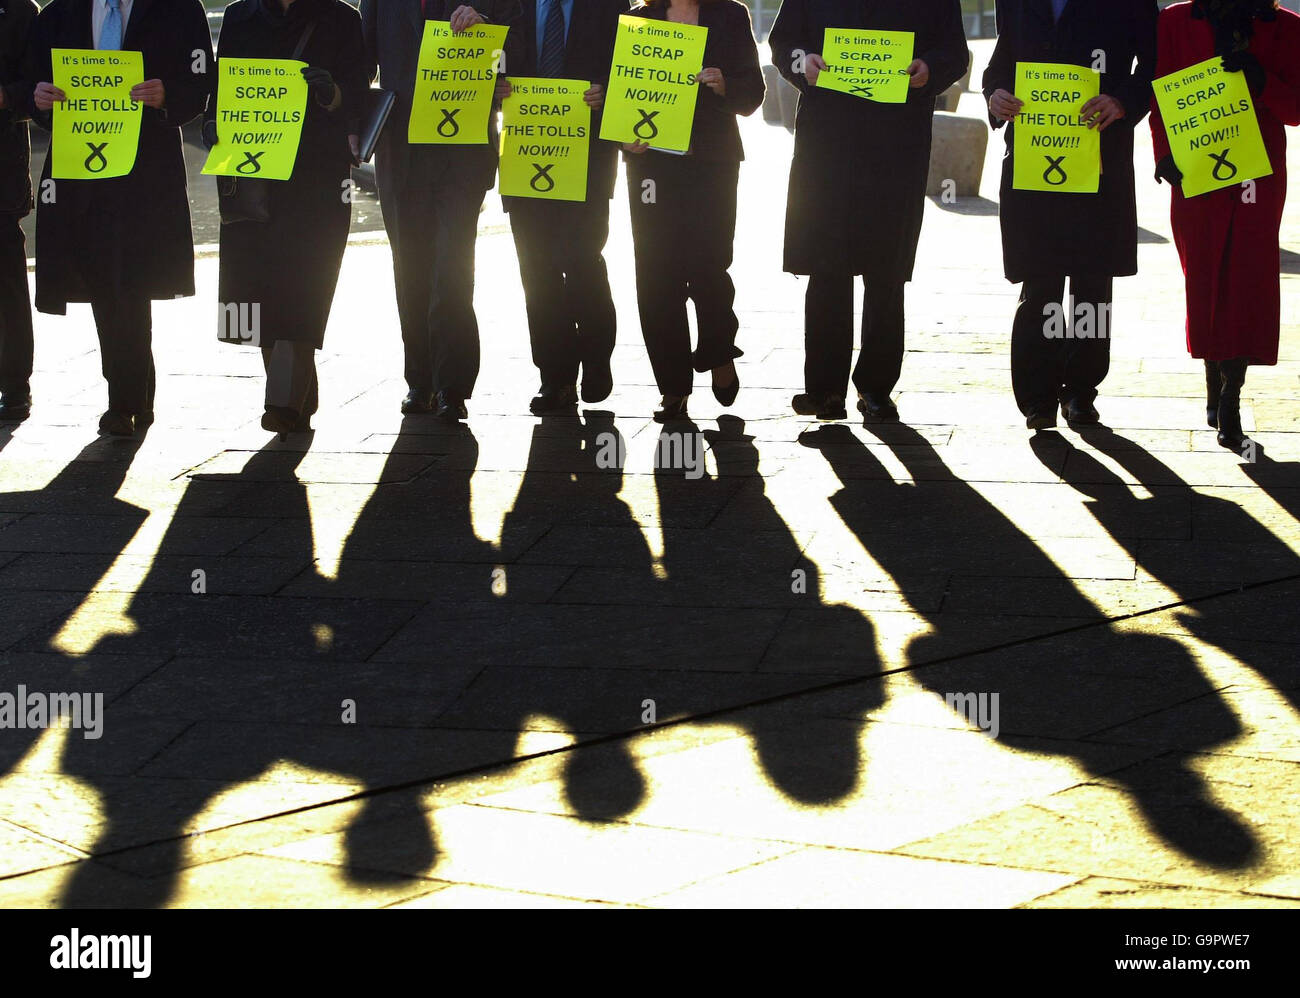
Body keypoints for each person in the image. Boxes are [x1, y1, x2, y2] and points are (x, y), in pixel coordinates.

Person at [770, 0, 967, 423]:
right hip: (827, 142)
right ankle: (825, 390)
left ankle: (876, 390)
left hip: (897, 143)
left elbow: (954, 52)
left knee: (886, 269)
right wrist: (803, 63)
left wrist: (930, 69)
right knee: (826, 265)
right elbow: (784, 42)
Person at [26, 0, 214, 437]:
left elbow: (203, 79)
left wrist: (169, 94)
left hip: (146, 168)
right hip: (79, 169)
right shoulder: (59, 13)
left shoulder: (179, 9)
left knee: (129, 280)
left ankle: (126, 400)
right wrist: (38, 100)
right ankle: (129, 395)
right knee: (101, 280)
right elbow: (33, 85)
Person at [984, 0, 1158, 431]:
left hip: (1100, 158)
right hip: (1033, 159)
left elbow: (1156, 65)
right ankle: (1037, 399)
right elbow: (1003, 62)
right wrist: (995, 95)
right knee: (1039, 279)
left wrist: (1122, 102)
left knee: (1092, 282)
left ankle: (1081, 392)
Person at [206, 0, 368, 436]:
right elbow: (223, 84)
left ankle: (283, 400)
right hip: (251, 172)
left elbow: (360, 88)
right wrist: (212, 123)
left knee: (303, 284)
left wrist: (331, 94)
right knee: (254, 287)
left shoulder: (341, 18)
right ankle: (294, 394)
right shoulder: (241, 16)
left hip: (315, 174)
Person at [360, 0, 524, 422]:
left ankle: (453, 385)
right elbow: (362, 62)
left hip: (463, 147)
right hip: (401, 147)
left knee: (453, 263)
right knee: (410, 265)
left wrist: (486, 25)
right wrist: (349, 126)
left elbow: (520, 38)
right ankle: (420, 381)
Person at [1150, 0, 1300, 453]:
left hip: (1260, 170)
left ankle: (1231, 394)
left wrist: (1261, 80)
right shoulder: (1175, 20)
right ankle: (1213, 372)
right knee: (1204, 274)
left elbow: (1295, 109)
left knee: (1248, 278)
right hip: (1195, 168)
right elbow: (1159, 93)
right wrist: (1162, 152)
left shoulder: (1287, 27)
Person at [623, 0, 764, 423]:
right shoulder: (638, 20)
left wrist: (725, 85)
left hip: (712, 162)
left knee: (709, 266)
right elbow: (619, 91)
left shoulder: (730, 15)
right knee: (655, 275)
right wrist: (622, 137)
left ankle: (719, 350)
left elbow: (753, 92)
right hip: (651, 166)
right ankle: (673, 387)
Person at [503, 0, 628, 416]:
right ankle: (554, 378)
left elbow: (627, 68)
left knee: (582, 261)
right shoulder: (510, 5)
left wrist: (608, 94)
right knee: (536, 271)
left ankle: (595, 359)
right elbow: (489, 59)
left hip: (589, 155)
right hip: (527, 150)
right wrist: (496, 84)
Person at [0, 0, 37, 423]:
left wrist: (7, 95)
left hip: (1, 173)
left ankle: (14, 387)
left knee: (8, 285)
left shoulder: (21, 12)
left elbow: (40, 87)